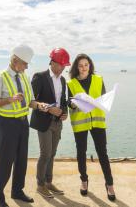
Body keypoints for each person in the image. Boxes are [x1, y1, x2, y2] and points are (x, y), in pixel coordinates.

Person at [0, 44, 47, 207]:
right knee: (5, 161)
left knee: (21, 159)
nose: (27, 67)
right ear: (15, 61)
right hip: (7, 124)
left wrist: (39, 105)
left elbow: (29, 101)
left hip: (23, 123)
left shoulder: (24, 77)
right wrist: (9, 99)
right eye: (25, 63)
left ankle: (17, 191)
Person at [67, 53, 116, 201]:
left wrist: (104, 102)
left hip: (98, 122)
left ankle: (110, 184)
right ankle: (84, 181)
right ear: (76, 67)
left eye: (86, 65)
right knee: (81, 153)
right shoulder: (71, 84)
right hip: (80, 122)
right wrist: (73, 103)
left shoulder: (99, 79)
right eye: (80, 66)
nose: (83, 68)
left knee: (103, 153)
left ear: (90, 66)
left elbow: (103, 98)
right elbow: (68, 102)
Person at [30, 48, 70, 198]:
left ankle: (48, 182)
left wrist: (64, 112)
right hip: (43, 122)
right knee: (45, 153)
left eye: (65, 65)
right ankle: (40, 185)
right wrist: (49, 109)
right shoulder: (40, 77)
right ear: (52, 63)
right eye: (61, 65)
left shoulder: (63, 80)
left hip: (58, 123)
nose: (64, 68)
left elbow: (63, 100)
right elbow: (31, 101)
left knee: (52, 154)